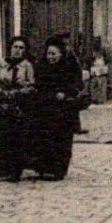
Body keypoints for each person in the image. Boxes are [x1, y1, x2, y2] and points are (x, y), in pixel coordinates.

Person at [32, 36, 84, 180]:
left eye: (54, 54)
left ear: (61, 54)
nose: (51, 57)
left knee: (62, 140)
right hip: (46, 108)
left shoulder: (70, 67)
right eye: (49, 54)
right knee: (45, 138)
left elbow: (78, 85)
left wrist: (66, 93)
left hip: (64, 110)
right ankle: (44, 168)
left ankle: (58, 169)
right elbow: (37, 84)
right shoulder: (42, 67)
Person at [0, 36, 35, 182]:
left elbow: (32, 85)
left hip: (18, 103)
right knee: (1, 135)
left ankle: (16, 170)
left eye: (21, 48)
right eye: (15, 47)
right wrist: (0, 92)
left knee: (17, 136)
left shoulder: (27, 65)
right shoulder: (1, 63)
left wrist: (22, 87)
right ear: (10, 48)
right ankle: (3, 169)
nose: (17, 50)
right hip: (1, 102)